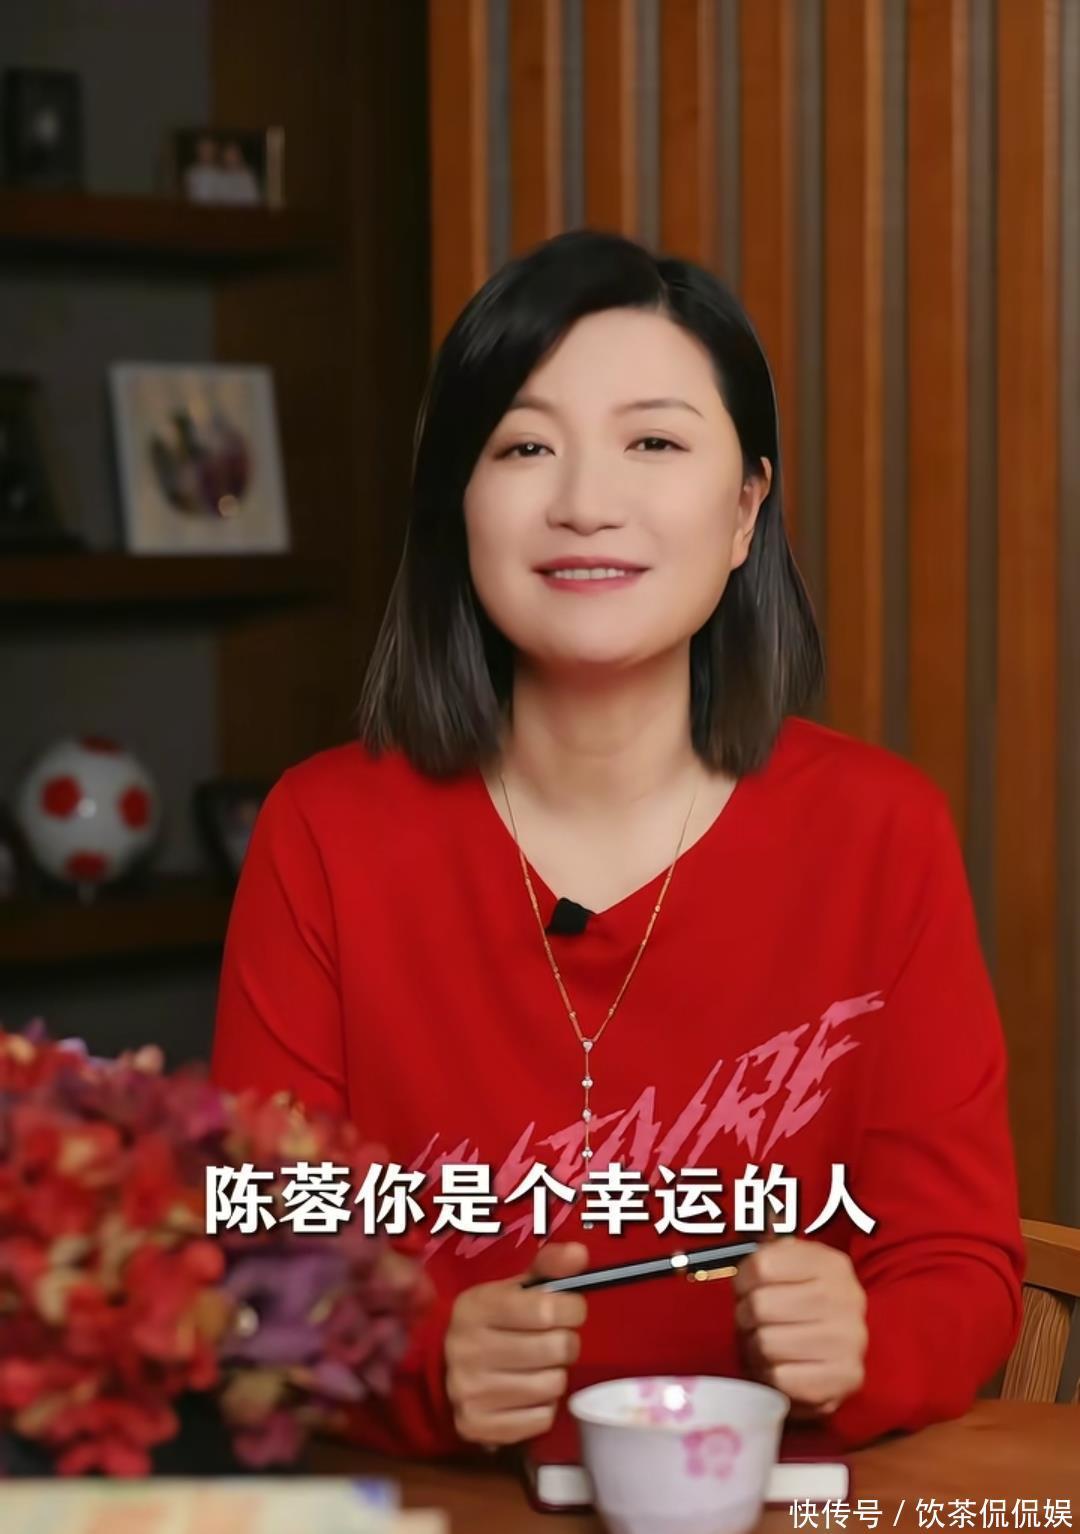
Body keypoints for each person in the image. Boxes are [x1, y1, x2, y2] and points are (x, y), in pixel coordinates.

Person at [211, 229, 1025, 1460]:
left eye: (653, 442)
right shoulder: (324, 829)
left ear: (745, 509)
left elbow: (958, 1261)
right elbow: (256, 1262)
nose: (585, 501)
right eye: (524, 446)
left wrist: (867, 1343)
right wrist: (421, 1364)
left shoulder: (880, 829)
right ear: (458, 506)